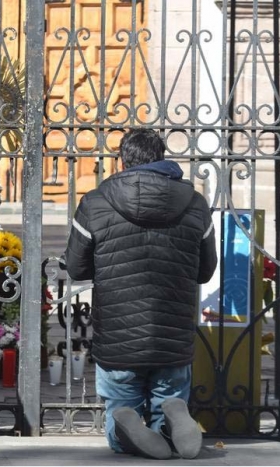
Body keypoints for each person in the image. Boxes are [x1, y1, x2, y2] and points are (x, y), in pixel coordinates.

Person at [64, 128, 217, 460]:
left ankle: (128, 429)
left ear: (122, 160)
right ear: (162, 157)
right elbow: (205, 270)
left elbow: (75, 269)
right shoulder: (195, 204)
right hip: (172, 334)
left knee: (120, 432)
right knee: (169, 399)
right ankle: (172, 415)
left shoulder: (95, 202)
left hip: (118, 336)